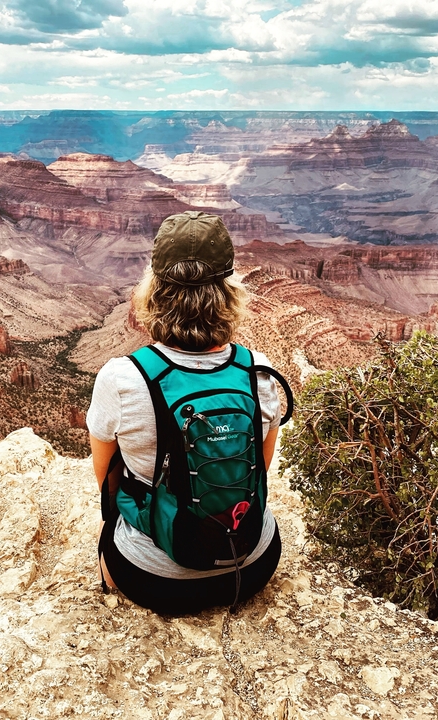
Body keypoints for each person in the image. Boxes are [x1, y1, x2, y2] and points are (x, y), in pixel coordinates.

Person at [86, 210, 282, 614]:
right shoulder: (257, 371)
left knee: (110, 539)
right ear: (229, 292)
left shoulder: (122, 377)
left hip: (160, 581)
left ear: (153, 291)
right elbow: (259, 466)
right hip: (255, 564)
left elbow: (106, 478)